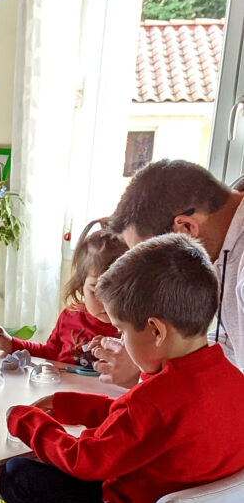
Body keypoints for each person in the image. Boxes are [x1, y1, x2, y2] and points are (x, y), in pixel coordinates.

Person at [0, 234, 244, 503]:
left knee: (19, 475)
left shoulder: (157, 398)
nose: (122, 344)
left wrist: (25, 420)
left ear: (156, 330)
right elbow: (134, 419)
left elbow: (86, 460)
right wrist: (70, 405)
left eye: (123, 332)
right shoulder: (229, 378)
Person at [92, 159, 244, 387]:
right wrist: (159, 354)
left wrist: (156, 376)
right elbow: (233, 341)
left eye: (151, 263)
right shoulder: (222, 247)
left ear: (185, 228)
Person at [0, 219, 126, 365]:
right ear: (81, 285)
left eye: (119, 292)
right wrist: (10, 343)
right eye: (96, 291)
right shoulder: (69, 316)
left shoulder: (132, 329)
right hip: (61, 386)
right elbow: (49, 353)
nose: (107, 302)